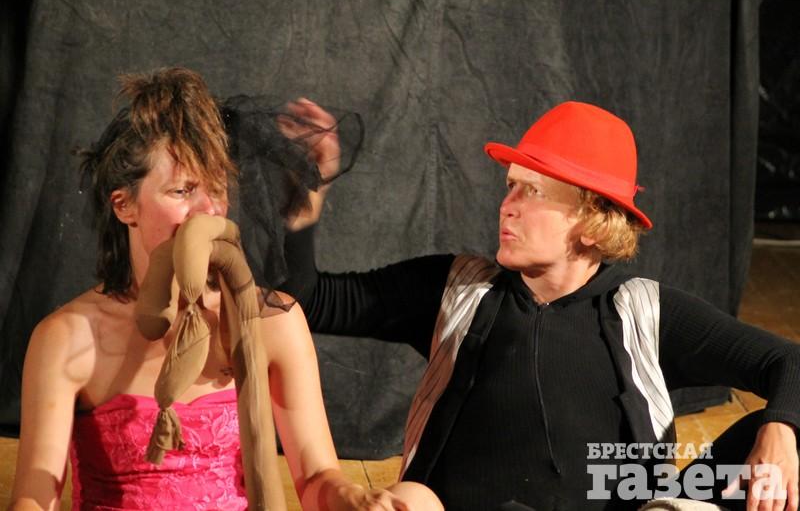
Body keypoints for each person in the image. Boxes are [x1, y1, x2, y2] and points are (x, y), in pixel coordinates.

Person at [282, 101, 800, 510]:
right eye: (511, 186)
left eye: (532, 191)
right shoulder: (459, 289)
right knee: (410, 502)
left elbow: (788, 361)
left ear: (593, 220)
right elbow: (309, 299)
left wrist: (778, 430)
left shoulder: (643, 311)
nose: (507, 205)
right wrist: (308, 196)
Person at [9, 67, 431, 511]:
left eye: (216, 188)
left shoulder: (273, 321)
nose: (208, 210)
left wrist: (355, 498)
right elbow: (34, 499)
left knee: (417, 500)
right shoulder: (67, 336)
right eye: (181, 191)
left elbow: (316, 477)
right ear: (125, 205)